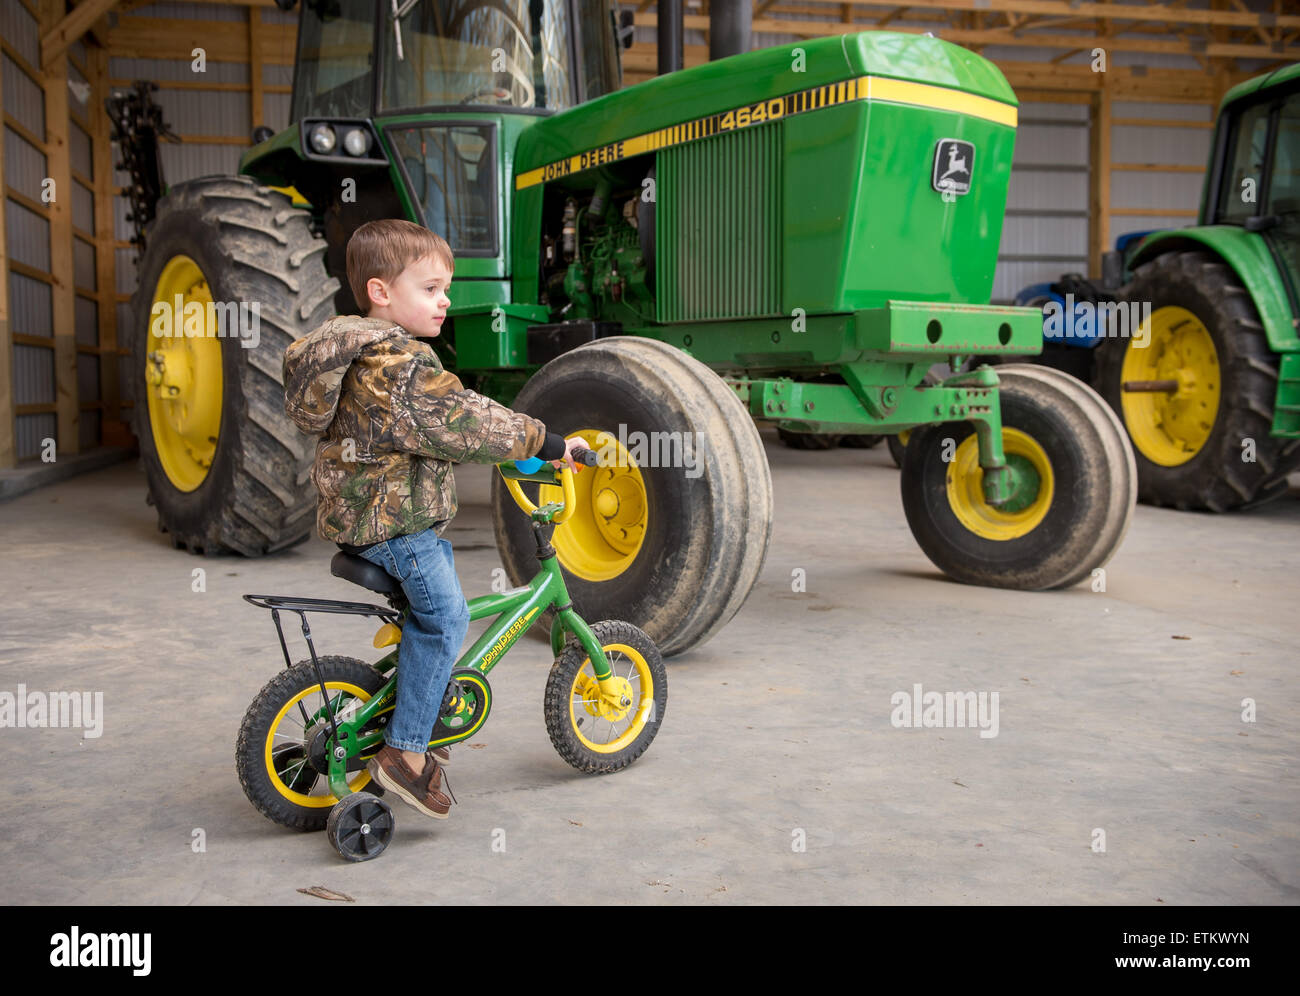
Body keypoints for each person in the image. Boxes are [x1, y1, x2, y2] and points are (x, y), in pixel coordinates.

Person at [283, 218, 584, 820]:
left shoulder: (351, 352)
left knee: (434, 608)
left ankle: (408, 703)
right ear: (380, 292)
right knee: (445, 619)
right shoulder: (399, 365)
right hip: (396, 527)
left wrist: (515, 452)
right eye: (430, 287)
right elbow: (466, 420)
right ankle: (406, 753)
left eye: (446, 287)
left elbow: (433, 431)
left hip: (361, 517)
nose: (445, 300)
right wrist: (548, 444)